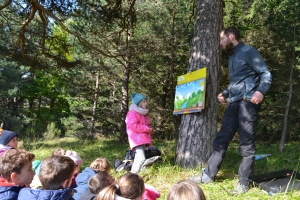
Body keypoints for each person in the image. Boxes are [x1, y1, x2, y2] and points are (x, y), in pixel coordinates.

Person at [189, 26, 272, 195]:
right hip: (234, 103)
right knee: (221, 139)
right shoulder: (232, 58)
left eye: (222, 39)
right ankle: (208, 175)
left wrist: (260, 91)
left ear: (231, 36)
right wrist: (225, 93)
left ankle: (243, 182)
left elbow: (265, 73)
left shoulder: (249, 51)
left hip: (248, 103)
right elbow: (236, 83)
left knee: (247, 144)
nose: (220, 42)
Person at [126, 92, 154, 173]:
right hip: (137, 139)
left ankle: (131, 175)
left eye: (146, 101)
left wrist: (150, 128)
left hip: (142, 139)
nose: (146, 103)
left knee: (138, 158)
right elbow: (133, 125)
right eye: (144, 101)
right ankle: (132, 177)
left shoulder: (143, 114)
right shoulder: (132, 113)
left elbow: (146, 125)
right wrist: (147, 129)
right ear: (139, 103)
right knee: (141, 158)